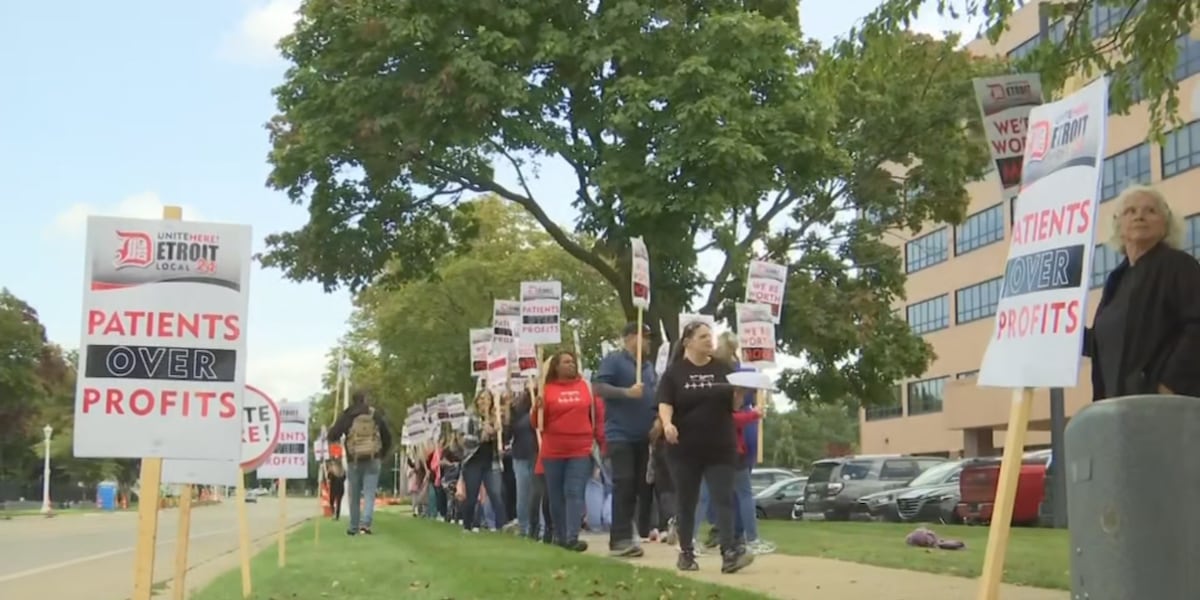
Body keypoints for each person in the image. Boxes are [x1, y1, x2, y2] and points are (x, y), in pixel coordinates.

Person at [1085, 185, 1200, 400]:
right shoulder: (1117, 280)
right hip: (1118, 409)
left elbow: (1197, 325)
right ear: (1118, 225)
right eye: (1130, 211)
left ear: (1166, 223)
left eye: (1151, 211)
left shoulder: (1178, 265)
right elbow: (1105, 343)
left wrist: (1169, 385)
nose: (1140, 216)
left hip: (1165, 407)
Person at [657, 320, 753, 573]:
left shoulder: (724, 369)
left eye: (711, 337)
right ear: (688, 342)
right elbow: (665, 403)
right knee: (687, 502)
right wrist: (667, 425)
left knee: (724, 499)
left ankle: (729, 553)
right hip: (684, 448)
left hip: (720, 445)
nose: (709, 341)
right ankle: (686, 553)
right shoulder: (674, 373)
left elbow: (733, 407)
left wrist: (740, 394)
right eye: (702, 337)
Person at [593, 321, 657, 558]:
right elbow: (598, 388)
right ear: (630, 337)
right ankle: (619, 539)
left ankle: (627, 535)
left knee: (637, 487)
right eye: (644, 336)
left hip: (643, 435)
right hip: (619, 433)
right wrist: (625, 392)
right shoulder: (614, 360)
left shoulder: (648, 368)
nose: (648, 342)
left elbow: (654, 395)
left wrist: (658, 421)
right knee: (624, 482)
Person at [531, 350, 604, 551]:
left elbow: (596, 415)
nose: (571, 365)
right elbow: (537, 424)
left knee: (574, 492)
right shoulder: (546, 390)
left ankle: (572, 536)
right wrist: (537, 408)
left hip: (580, 449)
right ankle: (560, 536)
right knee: (556, 495)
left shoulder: (586, 387)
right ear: (556, 367)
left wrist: (601, 442)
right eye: (566, 362)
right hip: (553, 450)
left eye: (572, 362)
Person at [716, 332, 775, 555]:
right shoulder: (743, 373)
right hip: (740, 436)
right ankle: (742, 535)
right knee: (741, 490)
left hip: (734, 435)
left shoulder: (726, 373)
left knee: (727, 491)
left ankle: (734, 534)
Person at [327, 391, 392, 535]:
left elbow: (332, 435)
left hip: (353, 459)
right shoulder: (374, 414)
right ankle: (366, 524)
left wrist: (336, 453)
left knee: (354, 495)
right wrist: (382, 454)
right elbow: (387, 436)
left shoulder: (348, 415)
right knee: (369, 494)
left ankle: (353, 526)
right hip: (373, 457)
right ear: (365, 399)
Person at [458, 390, 510, 532]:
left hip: (491, 461)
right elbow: (464, 440)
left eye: (487, 399)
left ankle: (502, 526)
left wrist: (498, 432)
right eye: (481, 399)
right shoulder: (470, 417)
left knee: (496, 494)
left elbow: (503, 439)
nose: (484, 402)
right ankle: (467, 526)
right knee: (472, 495)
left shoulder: (496, 417)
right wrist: (482, 434)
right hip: (473, 461)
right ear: (477, 401)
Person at [507, 390, 539, 537]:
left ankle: (538, 527)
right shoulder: (516, 410)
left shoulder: (542, 406)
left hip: (538, 454)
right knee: (523, 493)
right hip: (520, 456)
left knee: (537, 493)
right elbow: (508, 435)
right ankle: (524, 527)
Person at [646, 417, 678, 545]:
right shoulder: (667, 439)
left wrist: (650, 476)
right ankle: (669, 526)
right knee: (669, 502)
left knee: (662, 502)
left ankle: (663, 527)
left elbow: (652, 461)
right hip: (671, 478)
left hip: (662, 478)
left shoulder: (656, 440)